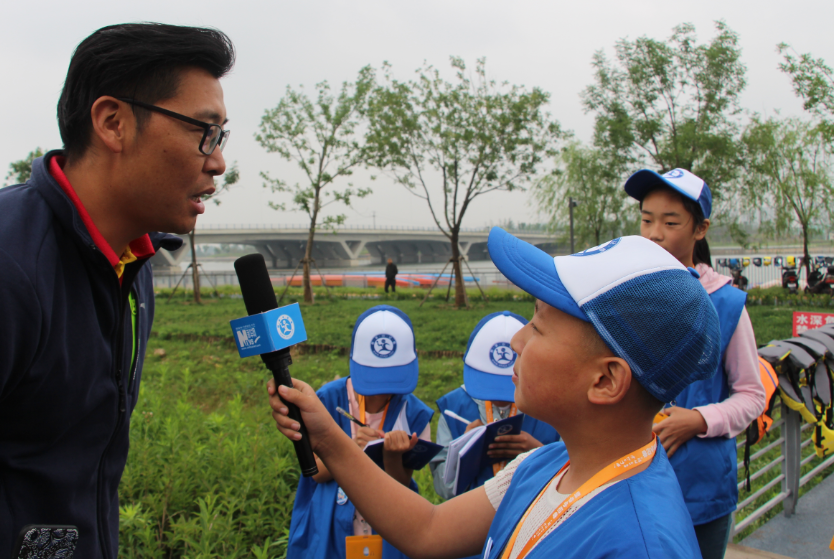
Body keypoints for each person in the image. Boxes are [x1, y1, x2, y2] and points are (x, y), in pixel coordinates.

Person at [0, 23, 234, 558]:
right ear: (113, 122)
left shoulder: (132, 267)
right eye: (204, 131)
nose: (217, 161)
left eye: (221, 137)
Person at [269, 230, 720, 559]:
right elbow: (428, 528)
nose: (517, 341)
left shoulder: (640, 544)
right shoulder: (544, 465)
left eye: (538, 325)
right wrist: (327, 436)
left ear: (605, 381)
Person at [625, 168, 765, 559]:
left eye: (670, 223)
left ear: (700, 229)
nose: (654, 233)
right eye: (647, 220)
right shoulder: (625, 297)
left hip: (700, 488)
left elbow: (752, 395)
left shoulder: (726, 304)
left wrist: (699, 420)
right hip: (630, 477)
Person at [286, 305, 433, 559]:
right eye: (374, 378)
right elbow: (315, 473)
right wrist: (350, 448)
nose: (382, 390)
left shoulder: (414, 414)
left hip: (389, 535)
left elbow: (402, 486)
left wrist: (391, 458)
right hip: (329, 532)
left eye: (393, 378)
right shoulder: (327, 400)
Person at [430, 311, 559, 503]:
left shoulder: (553, 410)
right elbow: (443, 488)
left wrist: (539, 453)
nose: (500, 398)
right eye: (488, 386)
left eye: (514, 381)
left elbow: (575, 482)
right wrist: (465, 456)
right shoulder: (453, 410)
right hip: (472, 519)